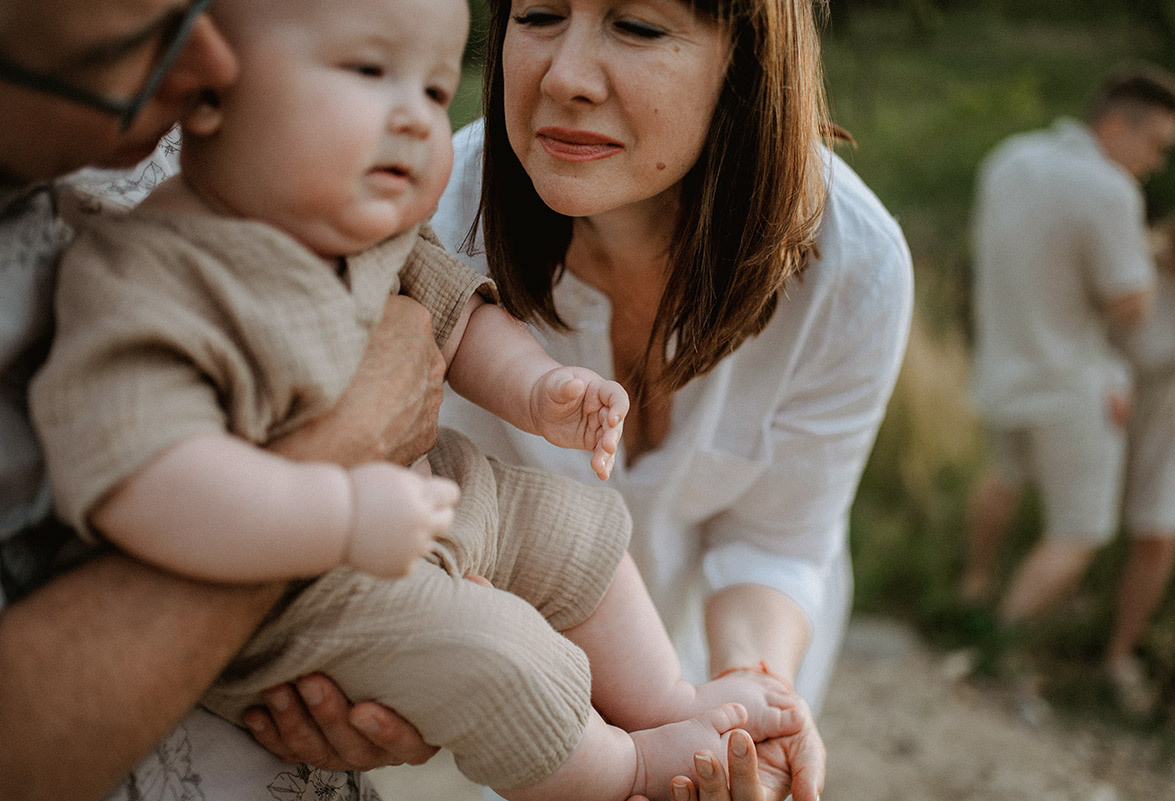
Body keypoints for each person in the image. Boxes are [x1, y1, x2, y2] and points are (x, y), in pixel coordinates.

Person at [29, 0, 813, 798]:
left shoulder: (358, 222)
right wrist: (339, 510)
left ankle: (666, 699)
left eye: (437, 93)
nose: (414, 119)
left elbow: (459, 316)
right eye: (370, 73)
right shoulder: (143, 274)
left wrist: (539, 389)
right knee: (494, 652)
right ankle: (625, 768)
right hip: (301, 594)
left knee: (581, 536)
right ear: (205, 92)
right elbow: (144, 482)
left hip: (432, 493)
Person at [410, 0, 913, 798]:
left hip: (731, 653)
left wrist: (748, 705)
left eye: (637, 27)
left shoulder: (855, 266)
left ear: (745, 64)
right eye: (538, 15)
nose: (565, 76)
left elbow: (776, 543)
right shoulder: (422, 215)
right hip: (521, 693)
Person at [0, 1, 448, 799]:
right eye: (141, 32)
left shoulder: (198, 108)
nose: (216, 66)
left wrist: (410, 657)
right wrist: (347, 447)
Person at [961, 66, 1175, 641]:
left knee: (1002, 480)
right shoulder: (1111, 190)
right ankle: (1001, 639)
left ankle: (970, 592)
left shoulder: (1009, 158)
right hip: (1071, 384)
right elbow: (1132, 307)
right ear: (1117, 125)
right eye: (1156, 145)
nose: (1157, 162)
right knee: (1080, 531)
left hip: (1001, 365)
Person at [1104, 197, 1175, 714]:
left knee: (1159, 534)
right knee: (1089, 523)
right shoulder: (1140, 257)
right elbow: (1090, 322)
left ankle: (1119, 654)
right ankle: (1016, 626)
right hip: (1115, 396)